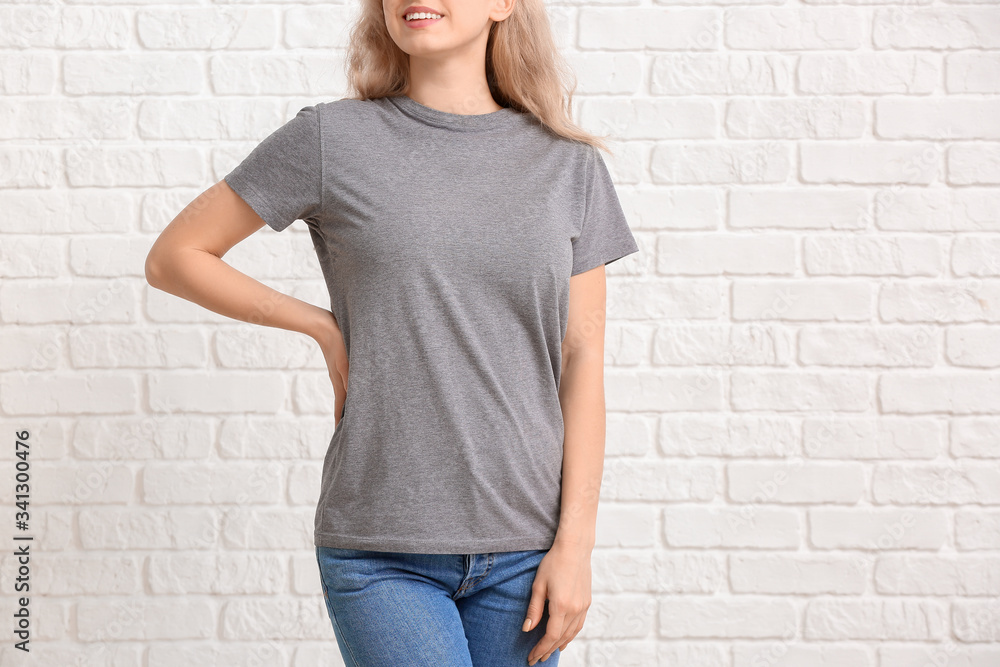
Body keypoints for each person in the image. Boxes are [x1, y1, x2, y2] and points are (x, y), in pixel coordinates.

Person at [144, 0, 639, 663]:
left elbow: (582, 361)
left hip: (528, 549)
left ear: (503, 5)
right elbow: (176, 256)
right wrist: (321, 326)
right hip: (381, 550)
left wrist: (574, 547)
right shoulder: (331, 139)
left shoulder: (569, 167)